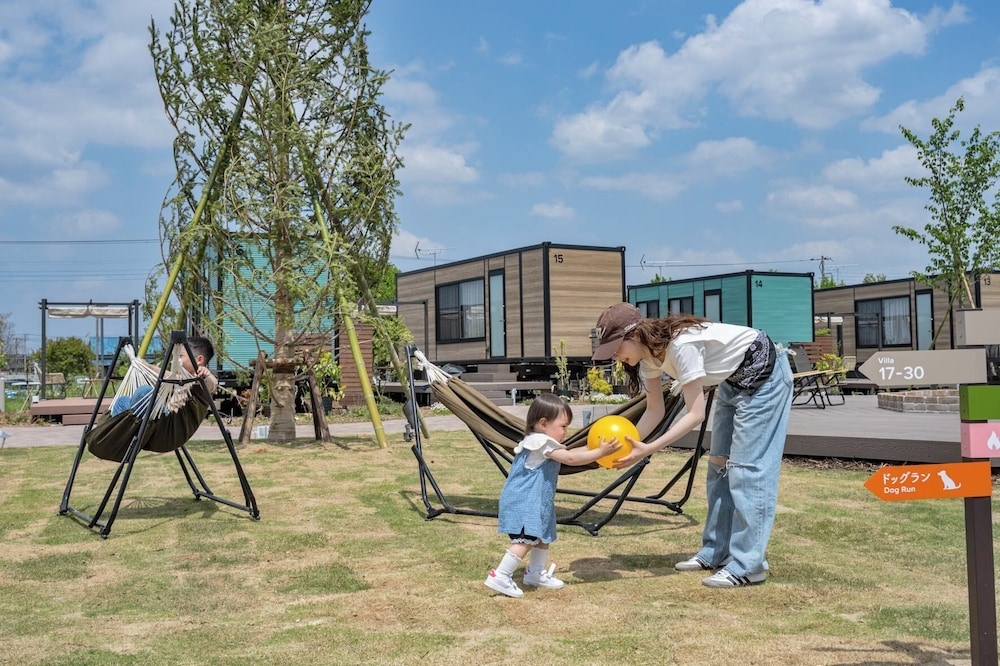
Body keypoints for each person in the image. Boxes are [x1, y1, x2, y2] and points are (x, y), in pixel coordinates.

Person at [591, 302, 793, 588]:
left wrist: (649, 449)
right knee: (718, 466)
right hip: (733, 381)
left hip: (764, 378)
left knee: (747, 470)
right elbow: (654, 411)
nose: (615, 357)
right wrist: (628, 445)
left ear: (634, 336)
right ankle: (716, 551)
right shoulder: (649, 358)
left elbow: (696, 414)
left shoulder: (681, 346)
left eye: (616, 348)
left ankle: (749, 565)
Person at [484, 392, 622, 598]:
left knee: (542, 536)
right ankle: (501, 575)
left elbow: (573, 452)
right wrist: (600, 453)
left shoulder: (545, 442)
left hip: (537, 501)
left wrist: (595, 447)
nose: (566, 431)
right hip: (524, 501)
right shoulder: (539, 442)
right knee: (526, 539)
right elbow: (570, 459)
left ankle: (536, 573)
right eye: (563, 426)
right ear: (543, 424)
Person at [110, 337, 218, 417]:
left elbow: (212, 384)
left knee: (144, 392)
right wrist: (143, 364)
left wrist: (205, 374)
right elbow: (162, 374)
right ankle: (120, 435)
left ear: (199, 360)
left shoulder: (200, 382)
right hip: (161, 416)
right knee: (122, 401)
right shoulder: (179, 378)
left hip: (170, 424)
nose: (176, 360)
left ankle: (128, 431)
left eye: (180, 356)